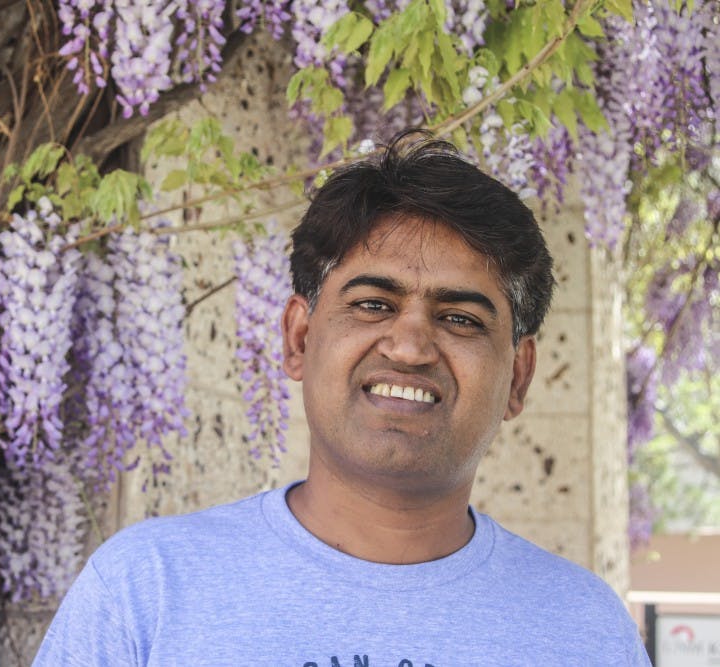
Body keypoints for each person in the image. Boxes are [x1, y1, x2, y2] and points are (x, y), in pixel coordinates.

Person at [33, 132, 651, 666]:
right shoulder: (145, 590)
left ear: (518, 376)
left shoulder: (585, 632)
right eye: (373, 305)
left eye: (460, 318)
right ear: (299, 338)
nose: (409, 347)